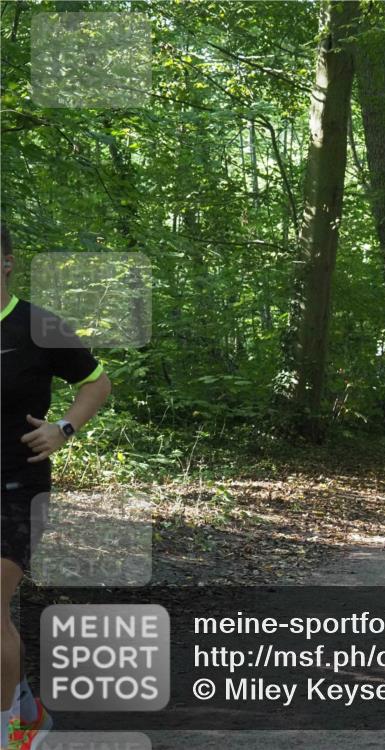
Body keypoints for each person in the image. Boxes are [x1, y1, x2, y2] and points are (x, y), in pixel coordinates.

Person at [2, 224, 112, 748]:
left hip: (17, 484)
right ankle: (24, 706)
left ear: (6, 263)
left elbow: (96, 382)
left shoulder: (38, 325)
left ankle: (11, 734)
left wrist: (62, 429)